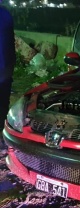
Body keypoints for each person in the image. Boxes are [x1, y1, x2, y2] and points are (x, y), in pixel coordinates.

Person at [0, 3, 16, 145]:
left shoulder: (5, 15)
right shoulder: (6, 14)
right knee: (3, 101)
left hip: (4, 65)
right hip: (6, 66)